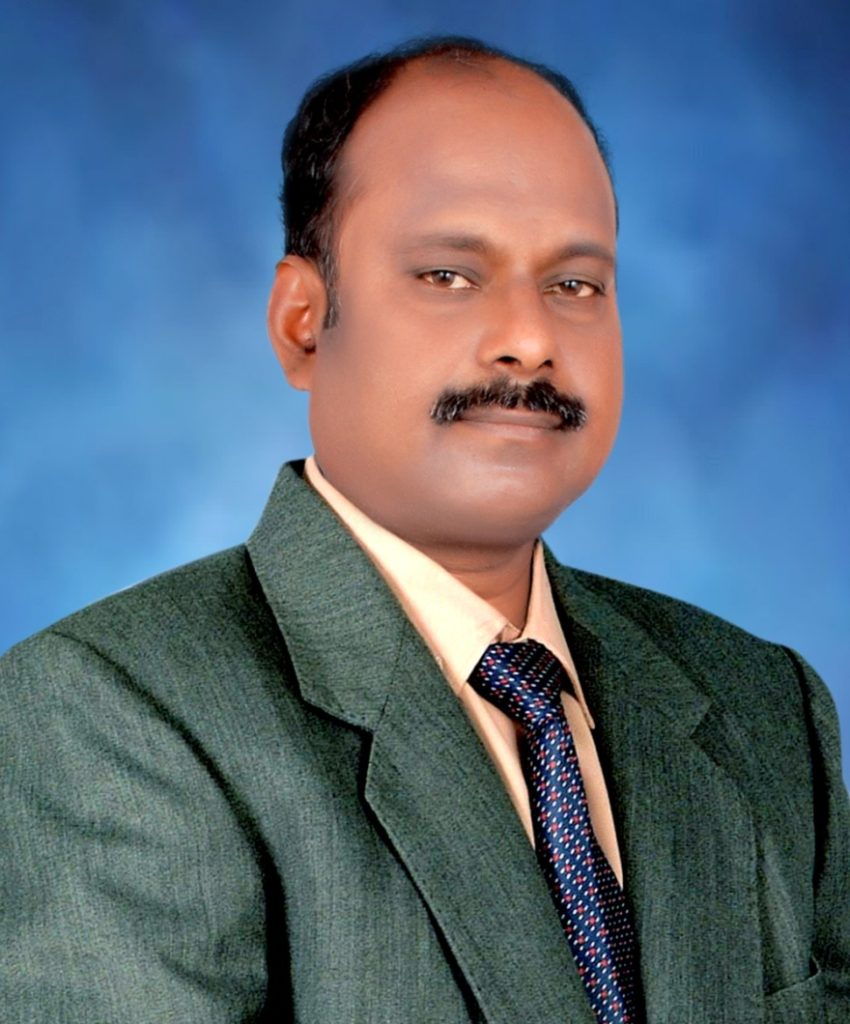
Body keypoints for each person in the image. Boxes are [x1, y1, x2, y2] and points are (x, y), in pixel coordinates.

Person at [1, 35, 848, 1024]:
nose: (529, 338)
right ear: (303, 320)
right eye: (449, 274)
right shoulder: (103, 717)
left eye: (575, 283)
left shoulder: (764, 706)